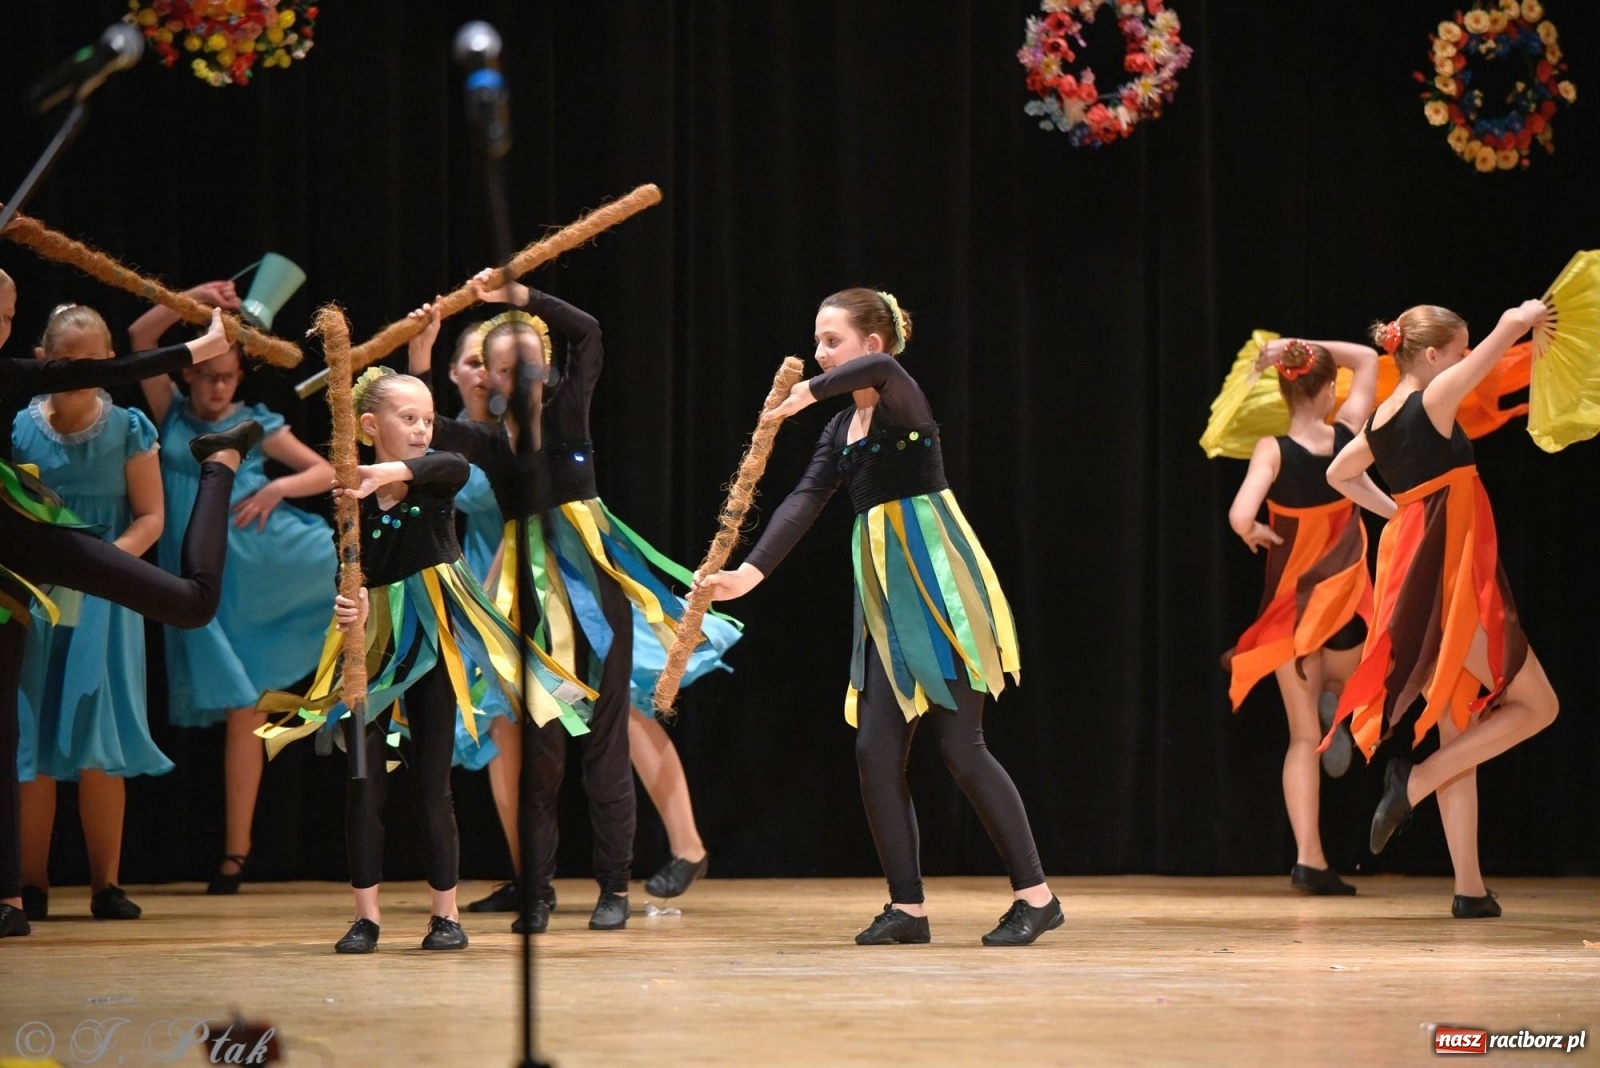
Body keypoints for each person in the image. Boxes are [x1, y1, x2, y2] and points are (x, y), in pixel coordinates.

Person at [696, 288, 1060, 946]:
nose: (819, 353)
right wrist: (749, 574)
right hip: (889, 605)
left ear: (870, 343)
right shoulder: (842, 429)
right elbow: (805, 499)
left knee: (961, 747)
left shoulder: (899, 396)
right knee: (875, 750)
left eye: (831, 341)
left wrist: (808, 392)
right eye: (817, 341)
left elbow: (884, 371)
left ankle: (1037, 897)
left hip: (941, 593)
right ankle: (908, 908)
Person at [410, 280, 738, 931]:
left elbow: (587, 330)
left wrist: (522, 294)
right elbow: (421, 430)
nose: (522, 379)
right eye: (508, 370)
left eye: (532, 365)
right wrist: (420, 360)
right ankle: (536, 892)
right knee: (542, 756)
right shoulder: (488, 443)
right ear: (492, 378)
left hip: (598, 602)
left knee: (607, 750)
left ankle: (614, 888)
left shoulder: (569, 413)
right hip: (533, 611)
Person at [255, 367, 592, 953]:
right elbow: (352, 568)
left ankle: (446, 916)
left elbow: (452, 465)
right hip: (373, 648)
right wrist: (351, 601)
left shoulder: (436, 478)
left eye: (428, 419)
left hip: (432, 643)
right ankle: (366, 918)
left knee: (432, 785)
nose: (421, 429)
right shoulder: (351, 505)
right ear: (369, 425)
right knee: (364, 784)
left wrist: (385, 473)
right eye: (407, 418)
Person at [0, 268, 252, 938]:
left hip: (102, 594)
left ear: (110, 361)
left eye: (96, 361)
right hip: (33, 593)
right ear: (46, 360)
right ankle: (28, 883)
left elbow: (150, 517)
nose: (82, 373)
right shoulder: (20, 424)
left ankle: (106, 883)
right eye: (69, 362)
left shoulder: (127, 428)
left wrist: (102, 571)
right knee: (28, 737)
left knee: (95, 736)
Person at [1327, 300, 1560, 918]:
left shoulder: (1382, 416)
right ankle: (1416, 780)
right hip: (1449, 588)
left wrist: (1401, 511)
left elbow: (1340, 474)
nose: (1466, 357)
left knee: (1461, 731)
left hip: (1426, 579)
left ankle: (1470, 889)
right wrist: (1525, 316)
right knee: (1539, 706)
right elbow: (1503, 337)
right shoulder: (1433, 399)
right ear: (1432, 356)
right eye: (1458, 350)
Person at [128, 282, 336, 895]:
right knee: (237, 706)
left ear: (240, 378)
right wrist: (192, 299)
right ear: (189, 373)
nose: (218, 387)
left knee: (247, 708)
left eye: (228, 377)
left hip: (260, 567)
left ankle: (235, 854)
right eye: (208, 376)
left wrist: (275, 488)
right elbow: (139, 336)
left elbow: (325, 470)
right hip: (203, 577)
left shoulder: (255, 423)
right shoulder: (170, 411)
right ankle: (231, 851)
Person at [1223, 336, 1392, 896]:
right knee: (1360, 678)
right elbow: (1366, 358)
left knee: (1300, 738)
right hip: (1344, 603)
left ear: (1283, 391)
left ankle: (1308, 861)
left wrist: (1254, 531)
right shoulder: (1348, 435)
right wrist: (1290, 346)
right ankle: (1337, 711)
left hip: (1292, 615)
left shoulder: (1271, 450)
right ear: (1327, 391)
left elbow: (1240, 514)